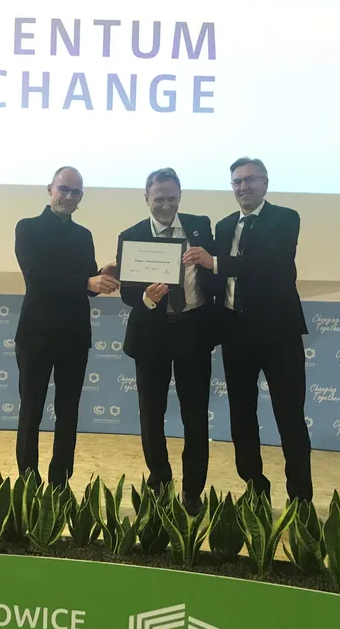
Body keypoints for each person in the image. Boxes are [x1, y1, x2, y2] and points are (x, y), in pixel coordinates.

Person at [182, 157, 312, 502]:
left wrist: (214, 262)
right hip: (235, 332)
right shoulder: (225, 226)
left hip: (279, 334)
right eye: (237, 182)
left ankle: (301, 497)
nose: (244, 187)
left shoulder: (285, 218)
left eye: (251, 180)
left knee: (289, 416)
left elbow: (269, 265)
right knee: (241, 416)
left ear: (265, 183)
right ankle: (255, 488)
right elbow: (213, 278)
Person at [118, 168, 218, 515]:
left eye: (172, 198)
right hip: (151, 334)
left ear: (180, 197)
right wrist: (146, 298)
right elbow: (127, 292)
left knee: (196, 416)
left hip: (193, 330)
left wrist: (210, 262)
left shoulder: (199, 226)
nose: (165, 205)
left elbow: (213, 276)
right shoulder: (131, 235)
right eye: (158, 198)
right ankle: (160, 482)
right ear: (146, 198)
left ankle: (193, 491)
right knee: (151, 414)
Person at [13, 166, 119, 488]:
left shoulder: (83, 235)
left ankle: (60, 482)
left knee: (68, 412)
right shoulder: (28, 228)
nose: (69, 196)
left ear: (81, 197)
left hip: (74, 336)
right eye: (64, 189)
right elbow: (37, 278)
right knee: (31, 410)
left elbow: (88, 284)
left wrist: (103, 275)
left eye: (75, 192)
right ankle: (28, 483)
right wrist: (86, 281)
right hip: (36, 335)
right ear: (50, 189)